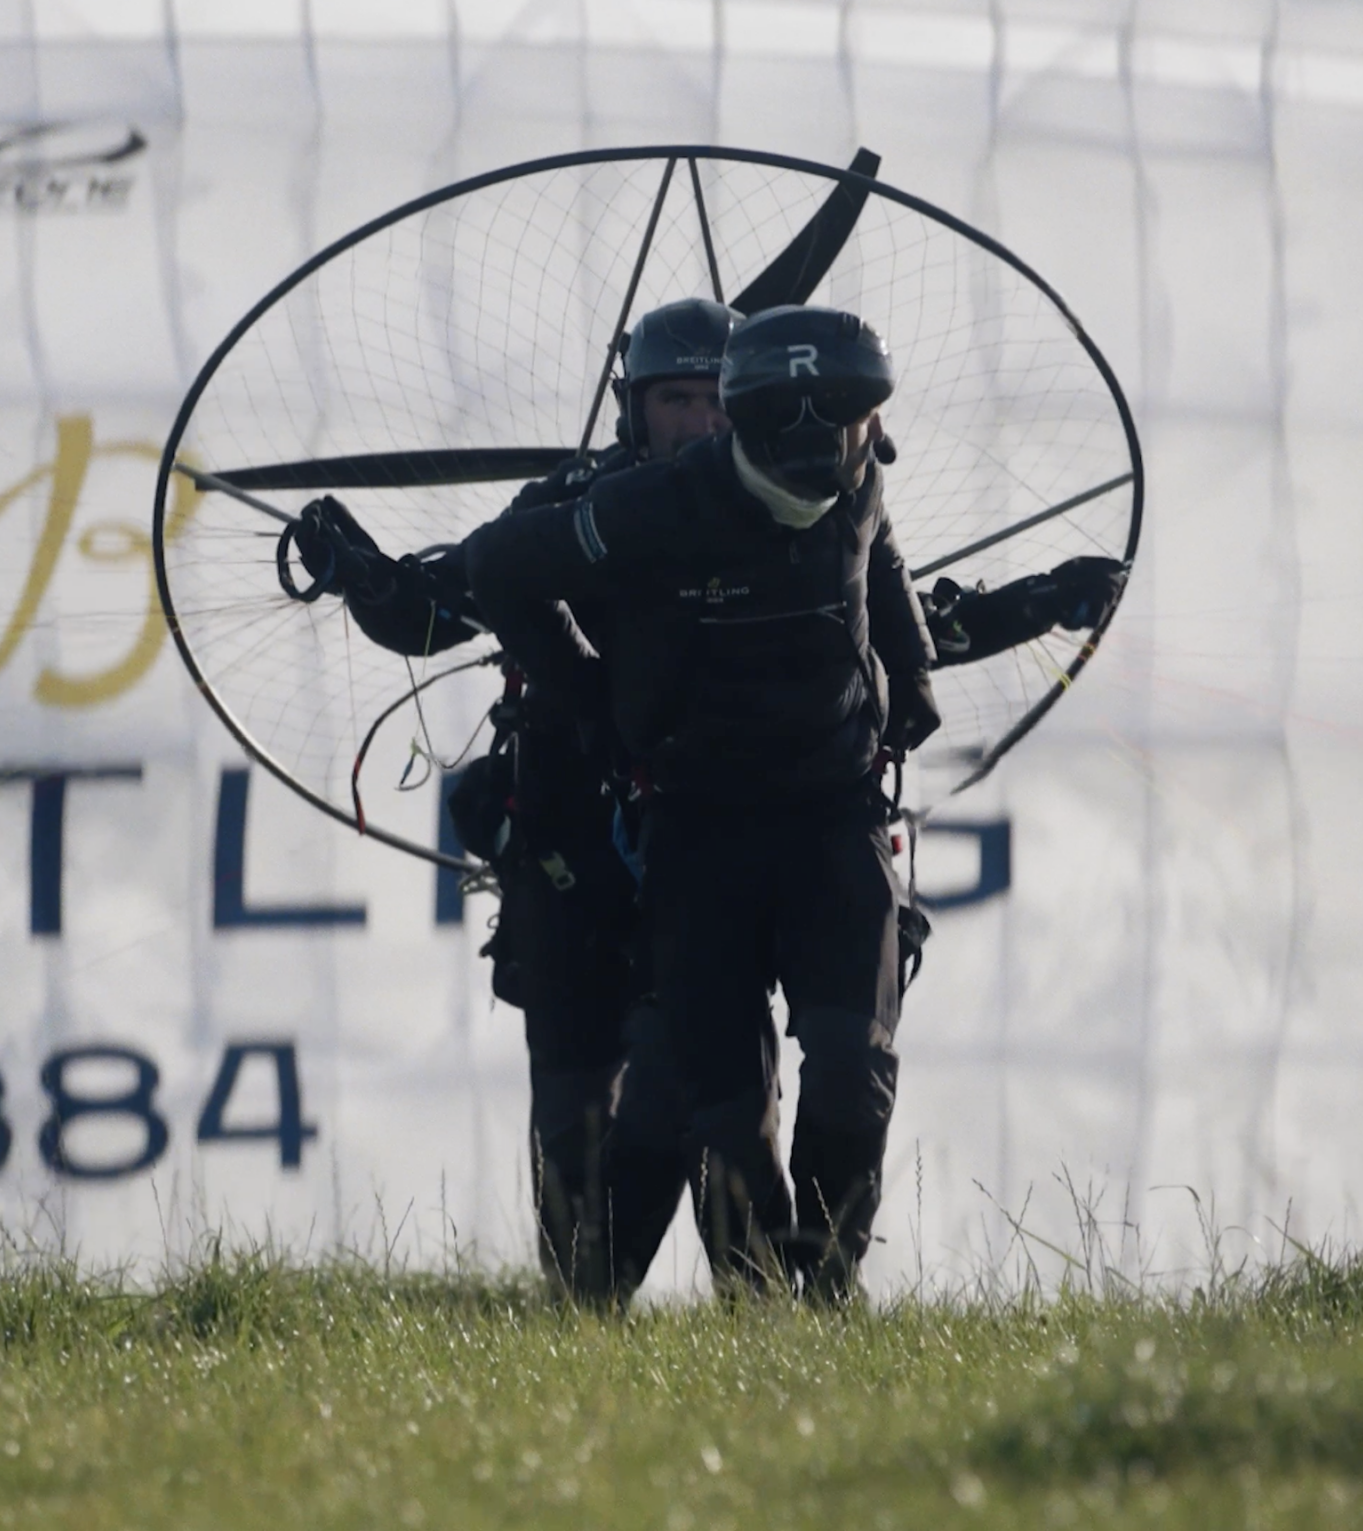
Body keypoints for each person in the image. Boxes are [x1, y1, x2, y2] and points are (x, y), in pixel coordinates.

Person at [463, 304, 938, 1301]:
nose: (822, 442)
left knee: (854, 1070)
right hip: (696, 835)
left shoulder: (859, 480)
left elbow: (875, 556)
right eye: (788, 419)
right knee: (716, 1112)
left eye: (846, 419)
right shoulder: (655, 505)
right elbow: (497, 567)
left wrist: (915, 674)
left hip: (834, 820)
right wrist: (581, 692)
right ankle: (712, 1308)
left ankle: (822, 1295)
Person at [287, 298, 746, 1298]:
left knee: (723, 1098)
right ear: (635, 408)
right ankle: (580, 1326)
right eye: (678, 400)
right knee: (573, 1102)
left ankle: (766, 1326)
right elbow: (437, 609)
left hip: (712, 845)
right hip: (572, 843)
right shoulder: (575, 501)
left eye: (719, 400)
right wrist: (359, 572)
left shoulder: (783, 506)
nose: (701, 423)